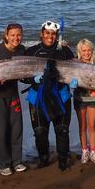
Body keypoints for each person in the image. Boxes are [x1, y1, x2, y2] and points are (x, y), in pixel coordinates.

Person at [24, 20, 75, 171]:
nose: (50, 36)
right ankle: (43, 158)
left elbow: (75, 70)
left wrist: (74, 81)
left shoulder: (64, 51)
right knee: (40, 131)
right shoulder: (31, 51)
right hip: (37, 97)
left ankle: (63, 160)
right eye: (47, 33)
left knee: (62, 129)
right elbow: (21, 75)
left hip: (61, 95)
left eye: (53, 34)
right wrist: (32, 79)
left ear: (57, 35)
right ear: (41, 34)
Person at [0, 23, 27, 176]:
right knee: (0, 131)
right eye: (13, 35)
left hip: (13, 94)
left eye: (19, 35)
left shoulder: (22, 50)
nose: (16, 38)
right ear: (6, 36)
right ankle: (3, 163)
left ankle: (17, 161)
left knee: (17, 128)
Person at [74, 39, 95, 164]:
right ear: (79, 51)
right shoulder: (75, 63)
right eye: (84, 50)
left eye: (89, 50)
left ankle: (93, 151)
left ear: (92, 51)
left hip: (93, 98)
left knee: (92, 126)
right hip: (79, 98)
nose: (86, 53)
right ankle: (84, 150)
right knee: (82, 126)